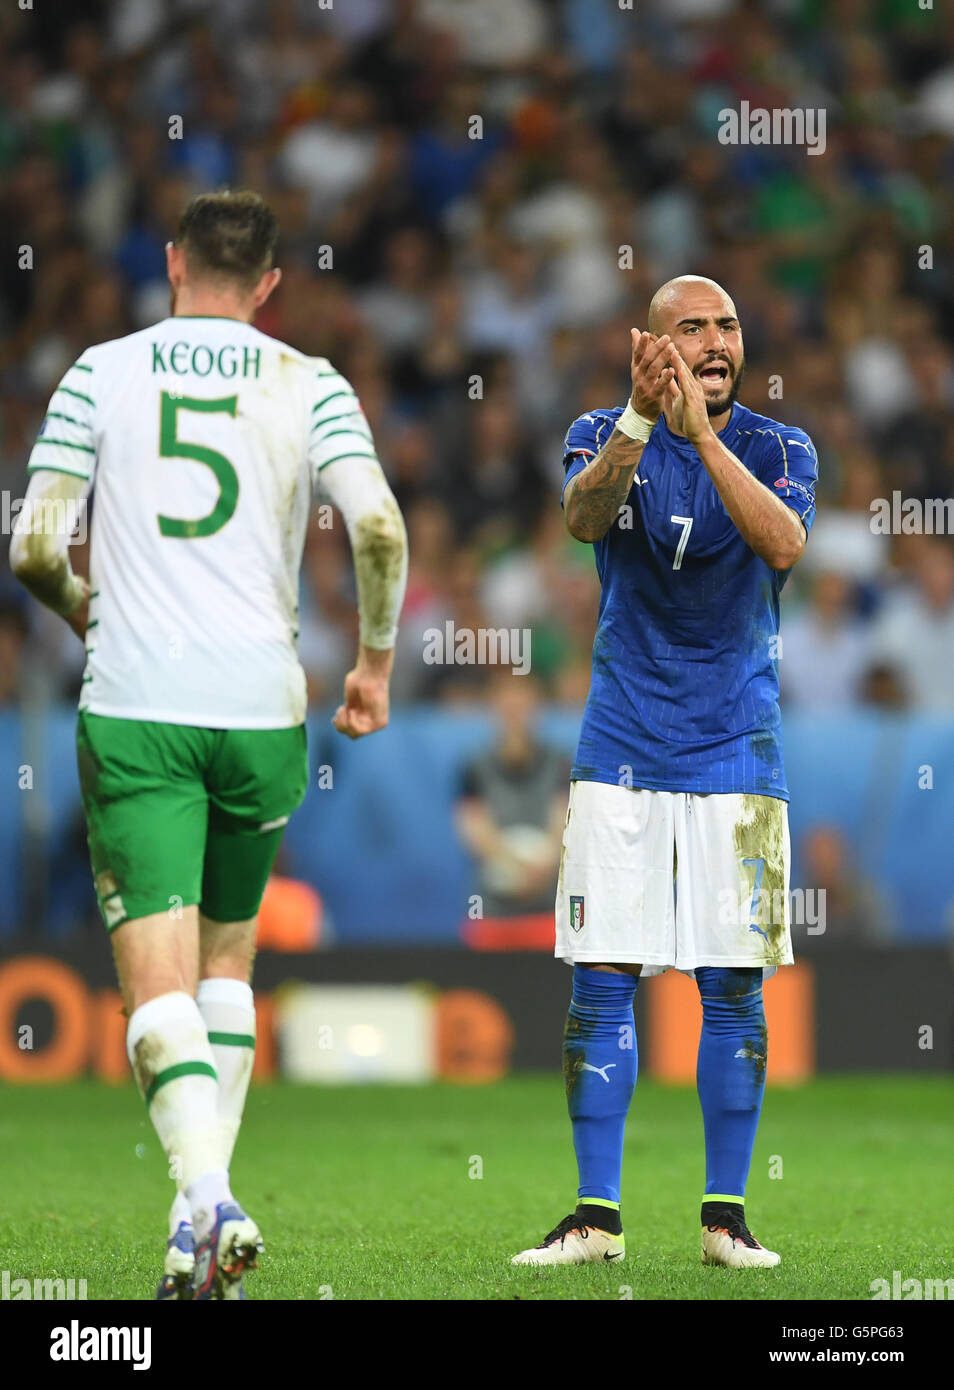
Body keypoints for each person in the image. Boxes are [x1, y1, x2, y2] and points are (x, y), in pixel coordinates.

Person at [10, 189, 408, 1300]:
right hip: (263, 707)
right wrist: (374, 664)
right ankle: (196, 1231)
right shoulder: (310, 381)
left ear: (174, 262)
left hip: (140, 701)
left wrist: (89, 609)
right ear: (271, 283)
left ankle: (208, 1201)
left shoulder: (102, 369)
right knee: (228, 965)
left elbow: (35, 545)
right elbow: (377, 522)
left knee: (156, 987)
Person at [512, 276, 817, 1270]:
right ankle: (596, 1216)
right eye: (696, 327)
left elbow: (784, 542)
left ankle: (725, 1217)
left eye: (729, 325)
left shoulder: (783, 447)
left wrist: (704, 434)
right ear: (653, 343)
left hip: (739, 748)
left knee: (731, 985)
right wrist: (648, 421)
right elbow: (582, 521)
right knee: (603, 980)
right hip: (622, 748)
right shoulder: (603, 429)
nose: (719, 340)